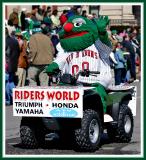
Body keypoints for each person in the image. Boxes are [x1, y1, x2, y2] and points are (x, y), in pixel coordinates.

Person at [45, 15, 113, 113]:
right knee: (59, 93)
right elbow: (60, 60)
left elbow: (106, 49)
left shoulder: (96, 45)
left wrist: (102, 33)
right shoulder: (67, 50)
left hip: (95, 81)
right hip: (72, 81)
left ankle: (99, 117)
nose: (68, 28)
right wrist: (53, 66)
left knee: (97, 95)